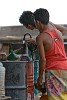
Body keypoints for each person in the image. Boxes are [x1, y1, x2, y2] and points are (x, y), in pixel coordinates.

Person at [33, 8, 67, 100]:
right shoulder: (58, 32)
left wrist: (39, 78)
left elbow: (42, 60)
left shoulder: (40, 37)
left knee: (55, 98)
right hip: (65, 68)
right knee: (64, 97)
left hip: (53, 70)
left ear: (38, 22)